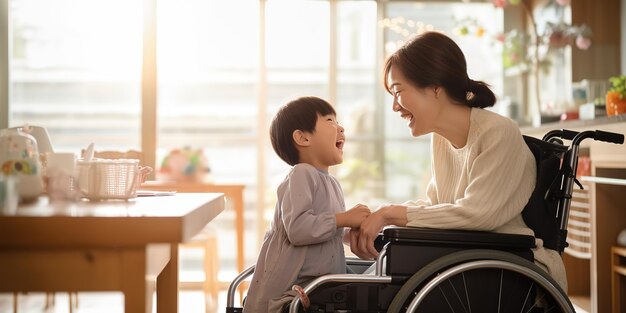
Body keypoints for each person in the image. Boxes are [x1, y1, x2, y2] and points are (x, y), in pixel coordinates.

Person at [348, 31, 567, 290]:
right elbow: (437, 206)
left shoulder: (497, 132)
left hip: (506, 265)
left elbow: (477, 214)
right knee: (362, 277)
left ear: (435, 88)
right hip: (461, 260)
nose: (395, 106)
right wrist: (375, 217)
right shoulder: (440, 139)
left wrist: (389, 214)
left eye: (397, 91)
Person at [243, 96, 371, 313]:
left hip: (321, 282)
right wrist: (344, 218)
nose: (340, 127)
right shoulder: (301, 174)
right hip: (296, 287)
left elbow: (326, 229)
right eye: (330, 121)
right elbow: (299, 229)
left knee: (371, 283)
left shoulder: (332, 182)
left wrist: (352, 233)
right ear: (303, 138)